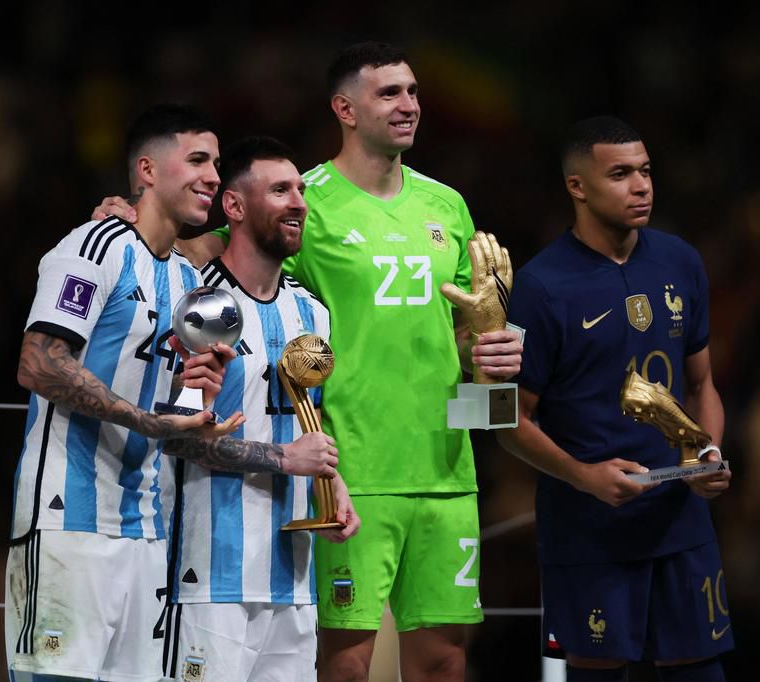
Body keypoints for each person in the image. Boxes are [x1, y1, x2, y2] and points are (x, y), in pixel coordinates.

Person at [93, 42, 523, 682]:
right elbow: (222, 246)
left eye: (412, 91)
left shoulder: (447, 206)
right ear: (344, 109)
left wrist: (492, 345)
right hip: (350, 465)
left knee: (447, 658)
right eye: (389, 94)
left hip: (445, 467)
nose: (409, 105)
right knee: (342, 662)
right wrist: (138, 218)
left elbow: (461, 331)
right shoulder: (306, 200)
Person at [5, 104, 340, 682]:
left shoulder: (191, 284)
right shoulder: (97, 245)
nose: (212, 174)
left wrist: (196, 412)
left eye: (216, 162)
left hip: (149, 530)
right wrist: (150, 422)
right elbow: (38, 363)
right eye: (197, 160)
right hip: (69, 519)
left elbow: (187, 402)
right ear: (147, 171)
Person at [498, 116, 733, 682]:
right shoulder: (540, 285)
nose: (642, 186)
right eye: (621, 174)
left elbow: (701, 386)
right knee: (598, 671)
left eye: (646, 171)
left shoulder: (680, 260)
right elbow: (505, 419)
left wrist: (707, 453)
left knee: (701, 670)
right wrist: (583, 476)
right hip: (590, 527)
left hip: (680, 521)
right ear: (577, 187)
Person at [160, 135, 361, 682]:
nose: (298, 201)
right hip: (207, 578)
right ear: (235, 206)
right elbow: (173, 437)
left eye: (300, 189)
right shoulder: (196, 302)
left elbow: (304, 425)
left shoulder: (311, 313)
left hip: (292, 583)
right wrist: (285, 459)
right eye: (279, 190)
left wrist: (330, 484)